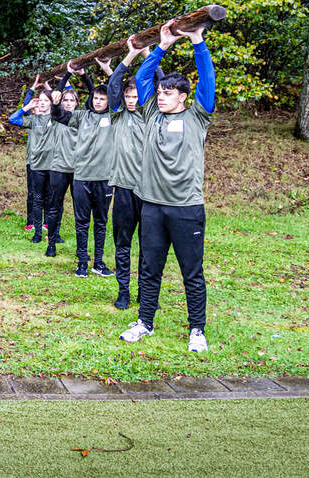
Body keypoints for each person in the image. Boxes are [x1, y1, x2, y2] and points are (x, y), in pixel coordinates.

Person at [118, 19, 215, 353]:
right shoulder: (151, 115)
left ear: (184, 98)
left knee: (192, 272)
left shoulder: (197, 116)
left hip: (186, 208)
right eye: (160, 93)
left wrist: (197, 42)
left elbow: (208, 82)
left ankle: (197, 330)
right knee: (149, 268)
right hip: (153, 206)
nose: (160, 97)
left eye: (168, 93)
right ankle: (145, 321)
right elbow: (143, 78)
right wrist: (161, 47)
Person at [105, 37, 162, 309]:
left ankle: (146, 294)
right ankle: (123, 292)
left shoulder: (152, 114)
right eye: (128, 97)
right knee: (123, 245)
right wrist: (130, 55)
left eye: (135, 96)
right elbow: (113, 84)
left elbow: (162, 84)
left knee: (149, 247)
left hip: (149, 190)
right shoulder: (117, 114)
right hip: (124, 190)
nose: (130, 100)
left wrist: (151, 53)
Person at [51, 64, 114, 278]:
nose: (97, 101)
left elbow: (117, 91)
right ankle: (82, 263)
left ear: (108, 101)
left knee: (101, 222)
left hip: (104, 179)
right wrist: (67, 74)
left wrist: (87, 75)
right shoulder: (81, 116)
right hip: (82, 178)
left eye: (102, 98)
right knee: (82, 222)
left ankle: (98, 262)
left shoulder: (115, 117)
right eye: (95, 97)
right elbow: (58, 114)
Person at [8, 85, 58, 243]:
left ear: (51, 103)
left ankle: (51, 231)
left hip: (52, 165)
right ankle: (37, 233)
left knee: (51, 199)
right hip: (36, 165)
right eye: (40, 100)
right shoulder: (33, 119)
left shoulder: (57, 119)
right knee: (36, 199)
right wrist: (27, 107)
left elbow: (65, 106)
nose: (42, 103)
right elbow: (12, 119)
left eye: (45, 100)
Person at [45, 85, 77, 257]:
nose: (69, 103)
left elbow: (96, 95)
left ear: (77, 103)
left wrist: (83, 75)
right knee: (54, 205)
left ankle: (81, 248)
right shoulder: (57, 116)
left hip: (78, 170)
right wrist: (67, 74)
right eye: (66, 100)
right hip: (59, 168)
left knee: (80, 209)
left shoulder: (82, 118)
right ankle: (51, 243)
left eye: (72, 100)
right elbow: (55, 94)